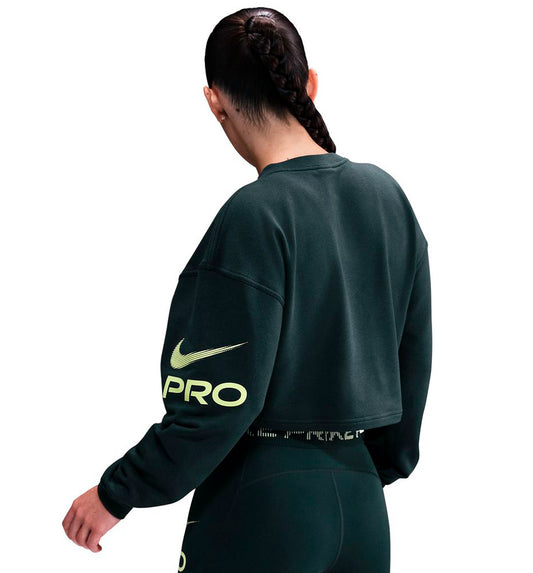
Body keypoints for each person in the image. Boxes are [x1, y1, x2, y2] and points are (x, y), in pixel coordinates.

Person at [62, 7, 432, 572]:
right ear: (310, 84)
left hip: (264, 500)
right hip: (362, 507)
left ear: (214, 102)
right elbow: (414, 360)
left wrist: (116, 492)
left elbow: (218, 401)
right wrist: (363, 469)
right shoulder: (388, 199)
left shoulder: (254, 216)